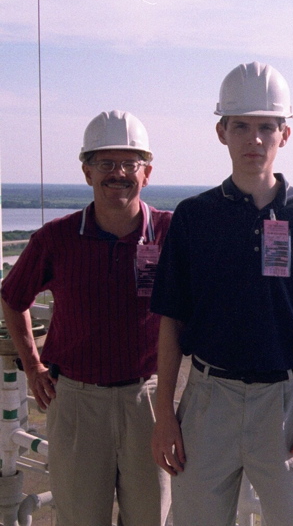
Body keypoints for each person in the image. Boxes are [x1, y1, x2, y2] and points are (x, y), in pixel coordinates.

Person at [150, 61, 293, 525]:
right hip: (207, 401)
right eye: (241, 126)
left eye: (266, 127)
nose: (254, 140)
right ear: (221, 132)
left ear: (285, 134)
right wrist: (164, 415)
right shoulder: (194, 216)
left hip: (284, 404)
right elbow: (171, 322)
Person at [0, 110, 172, 525]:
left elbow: (215, 297)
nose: (118, 173)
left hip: (147, 400)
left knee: (151, 517)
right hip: (76, 400)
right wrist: (33, 364)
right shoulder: (57, 237)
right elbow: (12, 296)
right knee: (79, 519)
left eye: (130, 163)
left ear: (146, 173)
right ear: (87, 172)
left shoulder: (170, 232)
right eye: (105, 163)